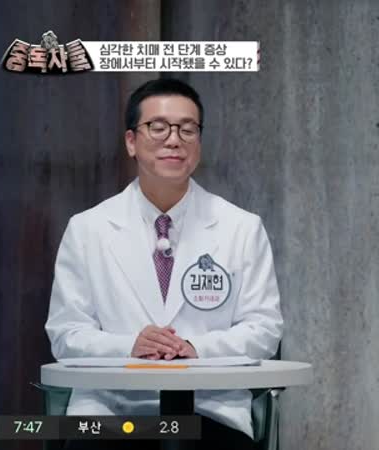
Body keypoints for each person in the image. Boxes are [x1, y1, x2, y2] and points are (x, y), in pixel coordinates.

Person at [45, 78, 283, 450]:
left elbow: (264, 329)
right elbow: (66, 334)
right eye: (158, 127)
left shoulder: (241, 227)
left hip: (211, 411)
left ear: (199, 142)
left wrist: (195, 347)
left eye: (187, 129)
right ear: (131, 141)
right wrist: (130, 346)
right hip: (111, 410)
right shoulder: (87, 228)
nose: (174, 140)